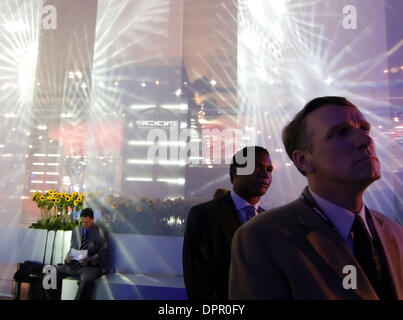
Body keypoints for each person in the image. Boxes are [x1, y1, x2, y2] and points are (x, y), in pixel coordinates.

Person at [229, 96, 403, 300]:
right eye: (342, 132)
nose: (366, 140)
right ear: (303, 160)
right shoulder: (261, 237)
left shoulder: (393, 232)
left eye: (364, 129)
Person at [183, 146, 273, 300]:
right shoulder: (204, 215)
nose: (266, 174)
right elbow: (198, 282)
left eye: (269, 169)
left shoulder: (269, 221)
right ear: (235, 171)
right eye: (257, 167)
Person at [54, 207, 108, 300]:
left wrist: (89, 259)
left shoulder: (100, 232)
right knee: (50, 272)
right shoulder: (77, 230)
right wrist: (68, 257)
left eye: (86, 222)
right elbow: (73, 247)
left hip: (90, 266)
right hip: (74, 264)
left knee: (85, 281)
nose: (84, 224)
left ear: (92, 219)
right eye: (82, 222)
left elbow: (104, 252)